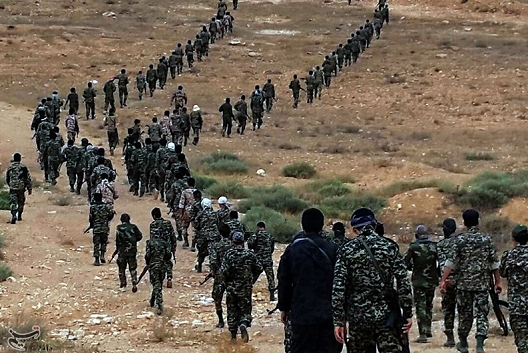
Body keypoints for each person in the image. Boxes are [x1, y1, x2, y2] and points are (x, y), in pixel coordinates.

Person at [333, 208, 413, 353]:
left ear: (355, 229)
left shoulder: (347, 250)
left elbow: (339, 288)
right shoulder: (389, 247)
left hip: (358, 318)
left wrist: (338, 321)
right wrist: (407, 313)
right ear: (374, 225)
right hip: (387, 317)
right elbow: (403, 282)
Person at [278, 208, 342, 353]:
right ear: (322, 225)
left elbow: (284, 280)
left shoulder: (293, 249)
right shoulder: (333, 249)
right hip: (328, 313)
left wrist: (284, 307)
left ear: (303, 225)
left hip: (302, 312)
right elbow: (341, 282)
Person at [440, 209, 501, 353]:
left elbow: (451, 263)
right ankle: (479, 345)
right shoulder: (486, 240)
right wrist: (497, 281)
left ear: (464, 222)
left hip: (464, 285)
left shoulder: (460, 240)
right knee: (481, 314)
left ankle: (463, 344)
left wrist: (443, 280)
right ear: (478, 221)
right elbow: (494, 263)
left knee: (464, 314)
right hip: (482, 284)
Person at [220, 231, 262, 342]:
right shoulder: (250, 254)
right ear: (243, 242)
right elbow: (259, 268)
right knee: (245, 309)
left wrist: (225, 283)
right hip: (245, 288)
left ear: (232, 242)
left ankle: (233, 335)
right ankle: (243, 323)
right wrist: (252, 280)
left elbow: (223, 271)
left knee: (232, 310)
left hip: (231, 287)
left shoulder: (228, 254)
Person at [404, 225, 438, 343]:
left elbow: (405, 263)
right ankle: (427, 329)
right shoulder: (434, 247)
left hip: (418, 280)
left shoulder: (413, 247)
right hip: (432, 280)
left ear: (417, 235)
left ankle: (422, 333)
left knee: (420, 306)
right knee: (429, 305)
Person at [500, 225, 528, 353]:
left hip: (517, 306)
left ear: (513, 239)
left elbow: (502, 273)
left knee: (521, 341)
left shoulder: (509, 256)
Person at [437, 218, 458, 347]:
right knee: (464, 309)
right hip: (462, 281)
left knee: (448, 309)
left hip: (448, 280)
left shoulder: (441, 245)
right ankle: (463, 336)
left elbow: (442, 264)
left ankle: (450, 337)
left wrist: (443, 280)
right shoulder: (461, 242)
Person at [210, 223, 232, 328]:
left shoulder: (217, 245)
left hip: (220, 275)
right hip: (233, 275)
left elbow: (213, 260)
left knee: (217, 297)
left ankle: (220, 321)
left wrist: (213, 271)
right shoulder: (234, 244)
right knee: (232, 298)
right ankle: (233, 321)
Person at [114, 213, 143, 292]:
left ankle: (123, 284)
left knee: (121, 268)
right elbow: (140, 236)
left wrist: (117, 250)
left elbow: (118, 241)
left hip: (122, 251)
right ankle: (134, 281)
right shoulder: (133, 227)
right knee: (132, 267)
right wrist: (133, 242)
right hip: (132, 250)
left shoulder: (119, 228)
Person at [149, 207, 177, 288]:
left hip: (157, 248)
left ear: (154, 216)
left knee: (157, 263)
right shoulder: (168, 223)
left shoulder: (153, 225)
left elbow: (152, 238)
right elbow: (172, 236)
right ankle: (169, 277)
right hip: (167, 247)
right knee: (168, 262)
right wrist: (173, 247)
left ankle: (158, 278)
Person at [248, 221, 275, 301]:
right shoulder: (270, 236)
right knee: (270, 277)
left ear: (258, 227)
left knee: (253, 276)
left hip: (258, 260)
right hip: (267, 259)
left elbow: (250, 244)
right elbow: (272, 249)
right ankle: (272, 294)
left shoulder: (256, 235)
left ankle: (247, 291)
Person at [145, 236, 172, 315]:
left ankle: (159, 305)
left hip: (153, 266)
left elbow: (147, 255)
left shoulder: (150, 242)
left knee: (156, 284)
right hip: (162, 266)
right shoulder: (165, 243)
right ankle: (152, 300)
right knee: (158, 283)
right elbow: (168, 255)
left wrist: (148, 263)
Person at [88, 192, 115, 266]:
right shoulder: (106, 206)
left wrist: (91, 224)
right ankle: (102, 255)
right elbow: (110, 215)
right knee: (103, 242)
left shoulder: (93, 207)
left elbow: (91, 217)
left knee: (96, 243)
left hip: (96, 227)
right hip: (104, 227)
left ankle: (97, 259)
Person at [5, 153, 32, 224]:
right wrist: (29, 188)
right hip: (21, 187)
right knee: (21, 201)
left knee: (13, 201)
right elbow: (28, 178)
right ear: (20, 159)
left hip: (13, 187)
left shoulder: (10, 167)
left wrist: (10, 184)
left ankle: (14, 215)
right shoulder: (23, 167)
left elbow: (7, 177)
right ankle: (19, 215)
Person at [178, 177, 197, 248]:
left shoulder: (185, 192)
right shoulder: (197, 191)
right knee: (195, 229)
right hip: (195, 212)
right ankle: (193, 245)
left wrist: (180, 214)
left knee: (184, 227)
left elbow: (181, 204)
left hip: (187, 211)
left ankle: (186, 242)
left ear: (187, 183)